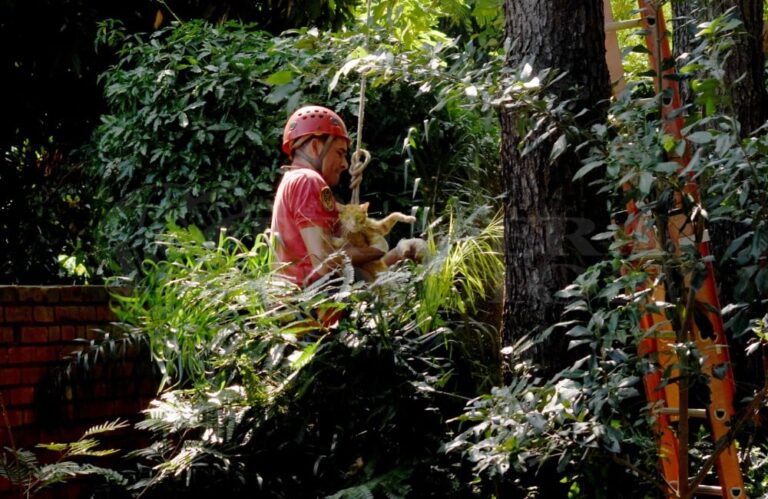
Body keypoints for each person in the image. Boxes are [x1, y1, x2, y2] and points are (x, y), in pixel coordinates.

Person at [270, 105, 424, 287]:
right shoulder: (308, 180)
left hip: (299, 305)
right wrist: (377, 251)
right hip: (310, 309)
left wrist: (396, 255)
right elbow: (324, 263)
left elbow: (344, 263)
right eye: (339, 153)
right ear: (315, 146)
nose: (344, 164)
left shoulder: (292, 180)